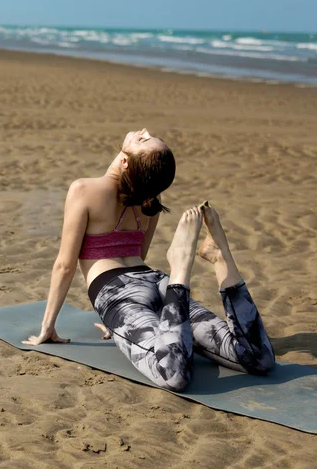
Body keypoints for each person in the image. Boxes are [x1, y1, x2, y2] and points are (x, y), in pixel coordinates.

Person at [23, 129, 275, 391]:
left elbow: (65, 266)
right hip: (157, 283)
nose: (143, 131)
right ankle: (220, 257)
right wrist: (121, 325)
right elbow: (140, 255)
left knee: (173, 373)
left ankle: (181, 267)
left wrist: (48, 327)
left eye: (143, 140)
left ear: (124, 161)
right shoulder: (151, 199)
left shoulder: (84, 190)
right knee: (259, 358)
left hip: (116, 294)